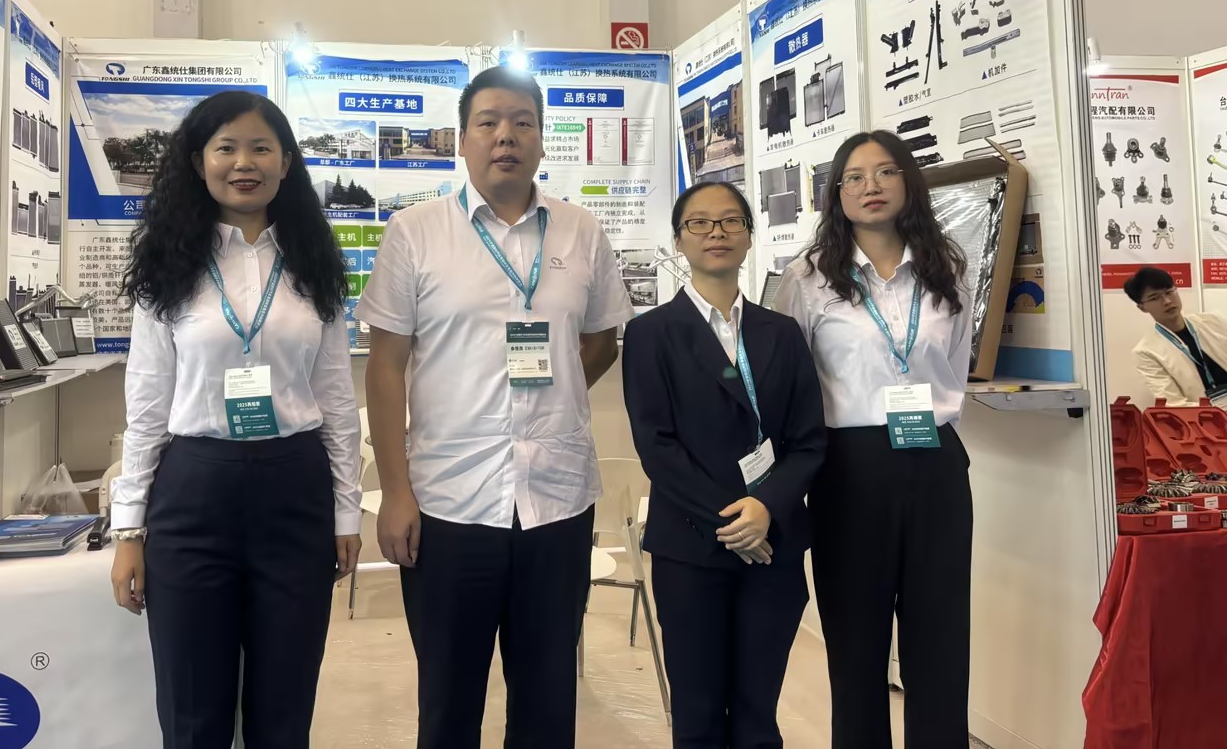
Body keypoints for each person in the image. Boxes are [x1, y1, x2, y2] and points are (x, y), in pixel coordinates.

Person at [356, 64, 635, 749]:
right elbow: (386, 368)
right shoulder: (415, 232)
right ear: (462, 139)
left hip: (557, 502)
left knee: (547, 703)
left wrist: (552, 395)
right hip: (449, 503)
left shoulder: (581, 231)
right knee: (449, 706)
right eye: (488, 122)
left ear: (541, 139)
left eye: (522, 122)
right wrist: (395, 492)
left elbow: (603, 339)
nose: (505, 136)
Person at [109, 90, 362, 749]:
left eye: (260, 148)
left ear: (286, 163)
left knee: (285, 707)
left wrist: (346, 513)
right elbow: (147, 402)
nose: (243, 163)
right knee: (193, 709)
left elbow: (337, 398)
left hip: (294, 492)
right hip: (194, 493)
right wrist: (129, 527)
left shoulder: (313, 263)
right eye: (226, 148)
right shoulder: (170, 264)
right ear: (199, 162)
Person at [774, 130, 973, 749]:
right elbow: (791, 382)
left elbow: (955, 365)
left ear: (908, 181)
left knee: (940, 640)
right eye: (854, 177)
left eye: (886, 172)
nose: (871, 187)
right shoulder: (806, 278)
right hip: (848, 469)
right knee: (855, 644)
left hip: (935, 463)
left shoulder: (947, 270)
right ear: (836, 193)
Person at [623, 181, 826, 748]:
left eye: (731, 221)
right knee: (699, 712)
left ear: (749, 235)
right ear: (679, 240)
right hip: (692, 547)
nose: (717, 233)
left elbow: (808, 441)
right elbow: (657, 446)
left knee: (759, 712)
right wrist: (734, 521)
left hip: (773, 545)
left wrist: (766, 507)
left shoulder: (782, 333)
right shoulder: (650, 334)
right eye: (700, 223)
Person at [1124, 266, 1227, 406]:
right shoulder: (1146, 352)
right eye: (1155, 298)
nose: (1167, 301)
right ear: (1142, 307)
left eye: (1169, 292)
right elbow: (1173, 403)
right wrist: (1219, 410)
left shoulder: (1213, 321)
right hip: (1204, 417)